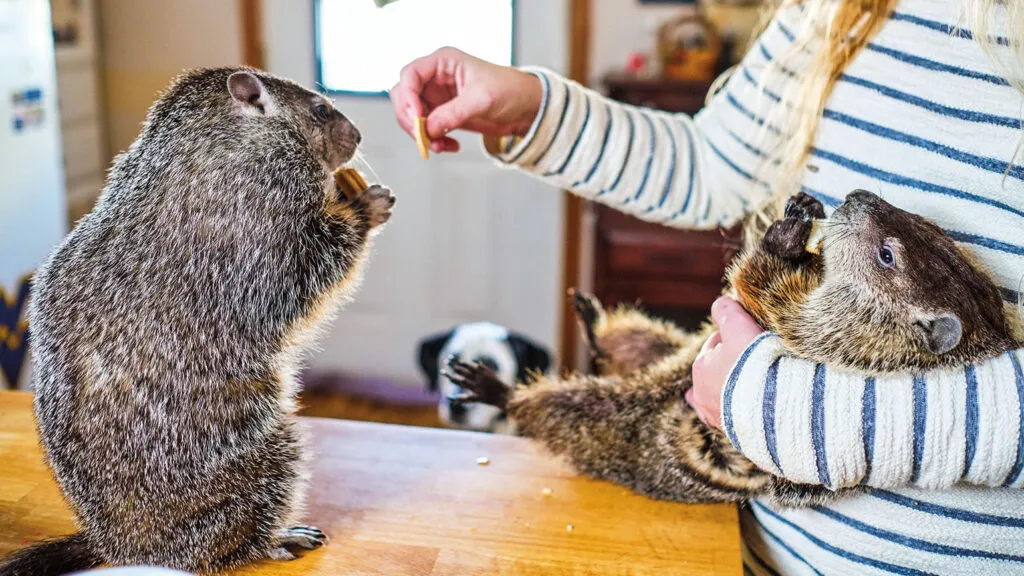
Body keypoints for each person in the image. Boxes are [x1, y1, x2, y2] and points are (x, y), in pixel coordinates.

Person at [390, 1, 1024, 573]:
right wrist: (533, 108)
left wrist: (805, 418)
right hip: (750, 550)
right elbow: (712, 161)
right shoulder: (840, 10)